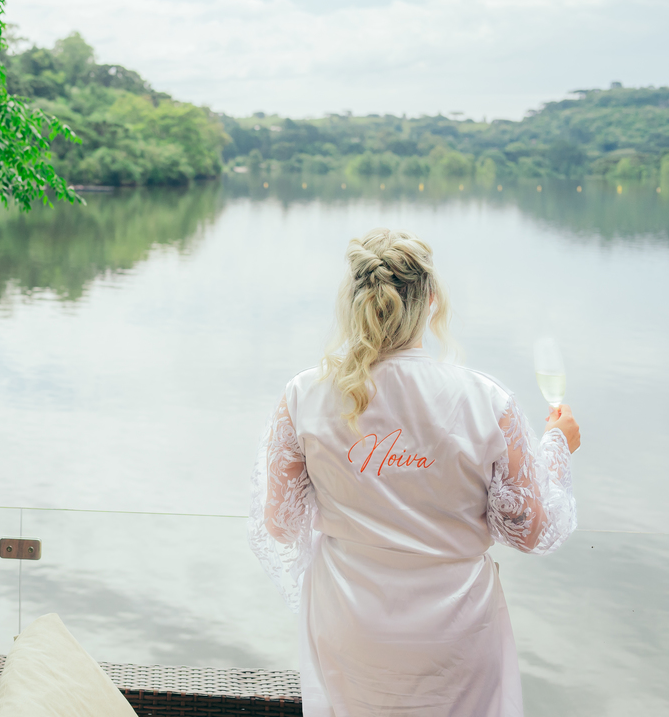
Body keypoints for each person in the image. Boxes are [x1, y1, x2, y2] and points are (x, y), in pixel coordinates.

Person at [248, 228, 580, 717]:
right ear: (431, 301)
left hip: (349, 619)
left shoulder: (305, 395)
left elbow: (280, 523)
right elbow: (529, 529)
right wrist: (557, 446)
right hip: (456, 627)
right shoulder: (485, 400)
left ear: (352, 300)